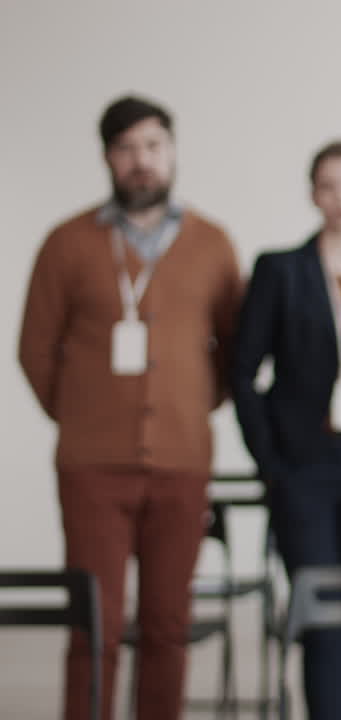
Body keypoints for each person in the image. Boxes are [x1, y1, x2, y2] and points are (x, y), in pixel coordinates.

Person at [17, 95, 242, 720]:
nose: (141, 161)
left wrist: (188, 404)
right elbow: (35, 349)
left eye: (153, 146)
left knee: (168, 623)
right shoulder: (67, 242)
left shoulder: (214, 244)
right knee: (96, 622)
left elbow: (233, 355)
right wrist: (87, 412)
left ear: (171, 152)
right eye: (127, 149)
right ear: (108, 158)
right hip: (92, 466)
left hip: (182, 463)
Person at [231, 140, 341, 720]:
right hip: (302, 463)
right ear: (313, 194)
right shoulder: (280, 269)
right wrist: (271, 463)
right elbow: (242, 372)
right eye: (329, 185)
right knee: (319, 608)